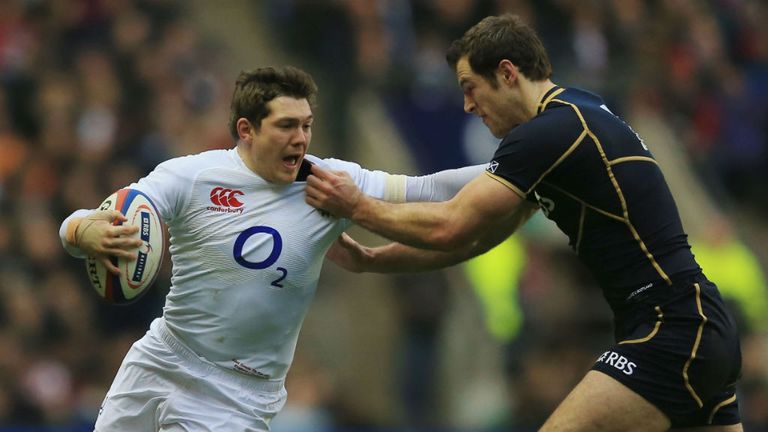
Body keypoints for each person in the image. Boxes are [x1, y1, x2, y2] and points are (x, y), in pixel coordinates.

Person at [304, 14, 743, 432]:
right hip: (702, 328)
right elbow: (473, 238)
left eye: (470, 87)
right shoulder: (576, 115)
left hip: (671, 330)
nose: (467, 104)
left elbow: (450, 225)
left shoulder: (545, 134)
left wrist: (357, 207)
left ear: (508, 73)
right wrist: (372, 260)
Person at [59, 65, 485, 431]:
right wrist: (82, 235)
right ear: (247, 129)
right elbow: (107, 213)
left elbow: (427, 187)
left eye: (307, 124)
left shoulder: (329, 182)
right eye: (286, 125)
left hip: (236, 393)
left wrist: (512, 167)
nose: (301, 139)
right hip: (163, 356)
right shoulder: (193, 176)